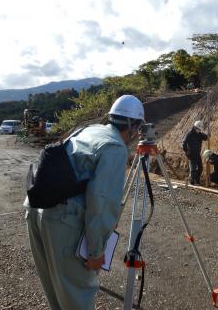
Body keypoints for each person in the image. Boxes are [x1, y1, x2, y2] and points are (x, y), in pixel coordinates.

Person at [24, 95, 144, 310]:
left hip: (36, 210)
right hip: (62, 221)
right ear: (134, 127)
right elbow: (101, 203)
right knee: (77, 295)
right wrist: (96, 252)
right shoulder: (115, 147)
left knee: (57, 292)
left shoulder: (89, 129)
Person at [182, 120, 208, 185]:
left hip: (197, 154)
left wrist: (207, 135)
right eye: (197, 129)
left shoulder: (199, 134)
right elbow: (184, 143)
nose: (198, 130)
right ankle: (192, 181)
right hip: (191, 154)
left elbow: (205, 138)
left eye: (199, 129)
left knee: (200, 167)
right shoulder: (190, 134)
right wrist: (186, 151)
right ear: (195, 127)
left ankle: (197, 180)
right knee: (193, 168)